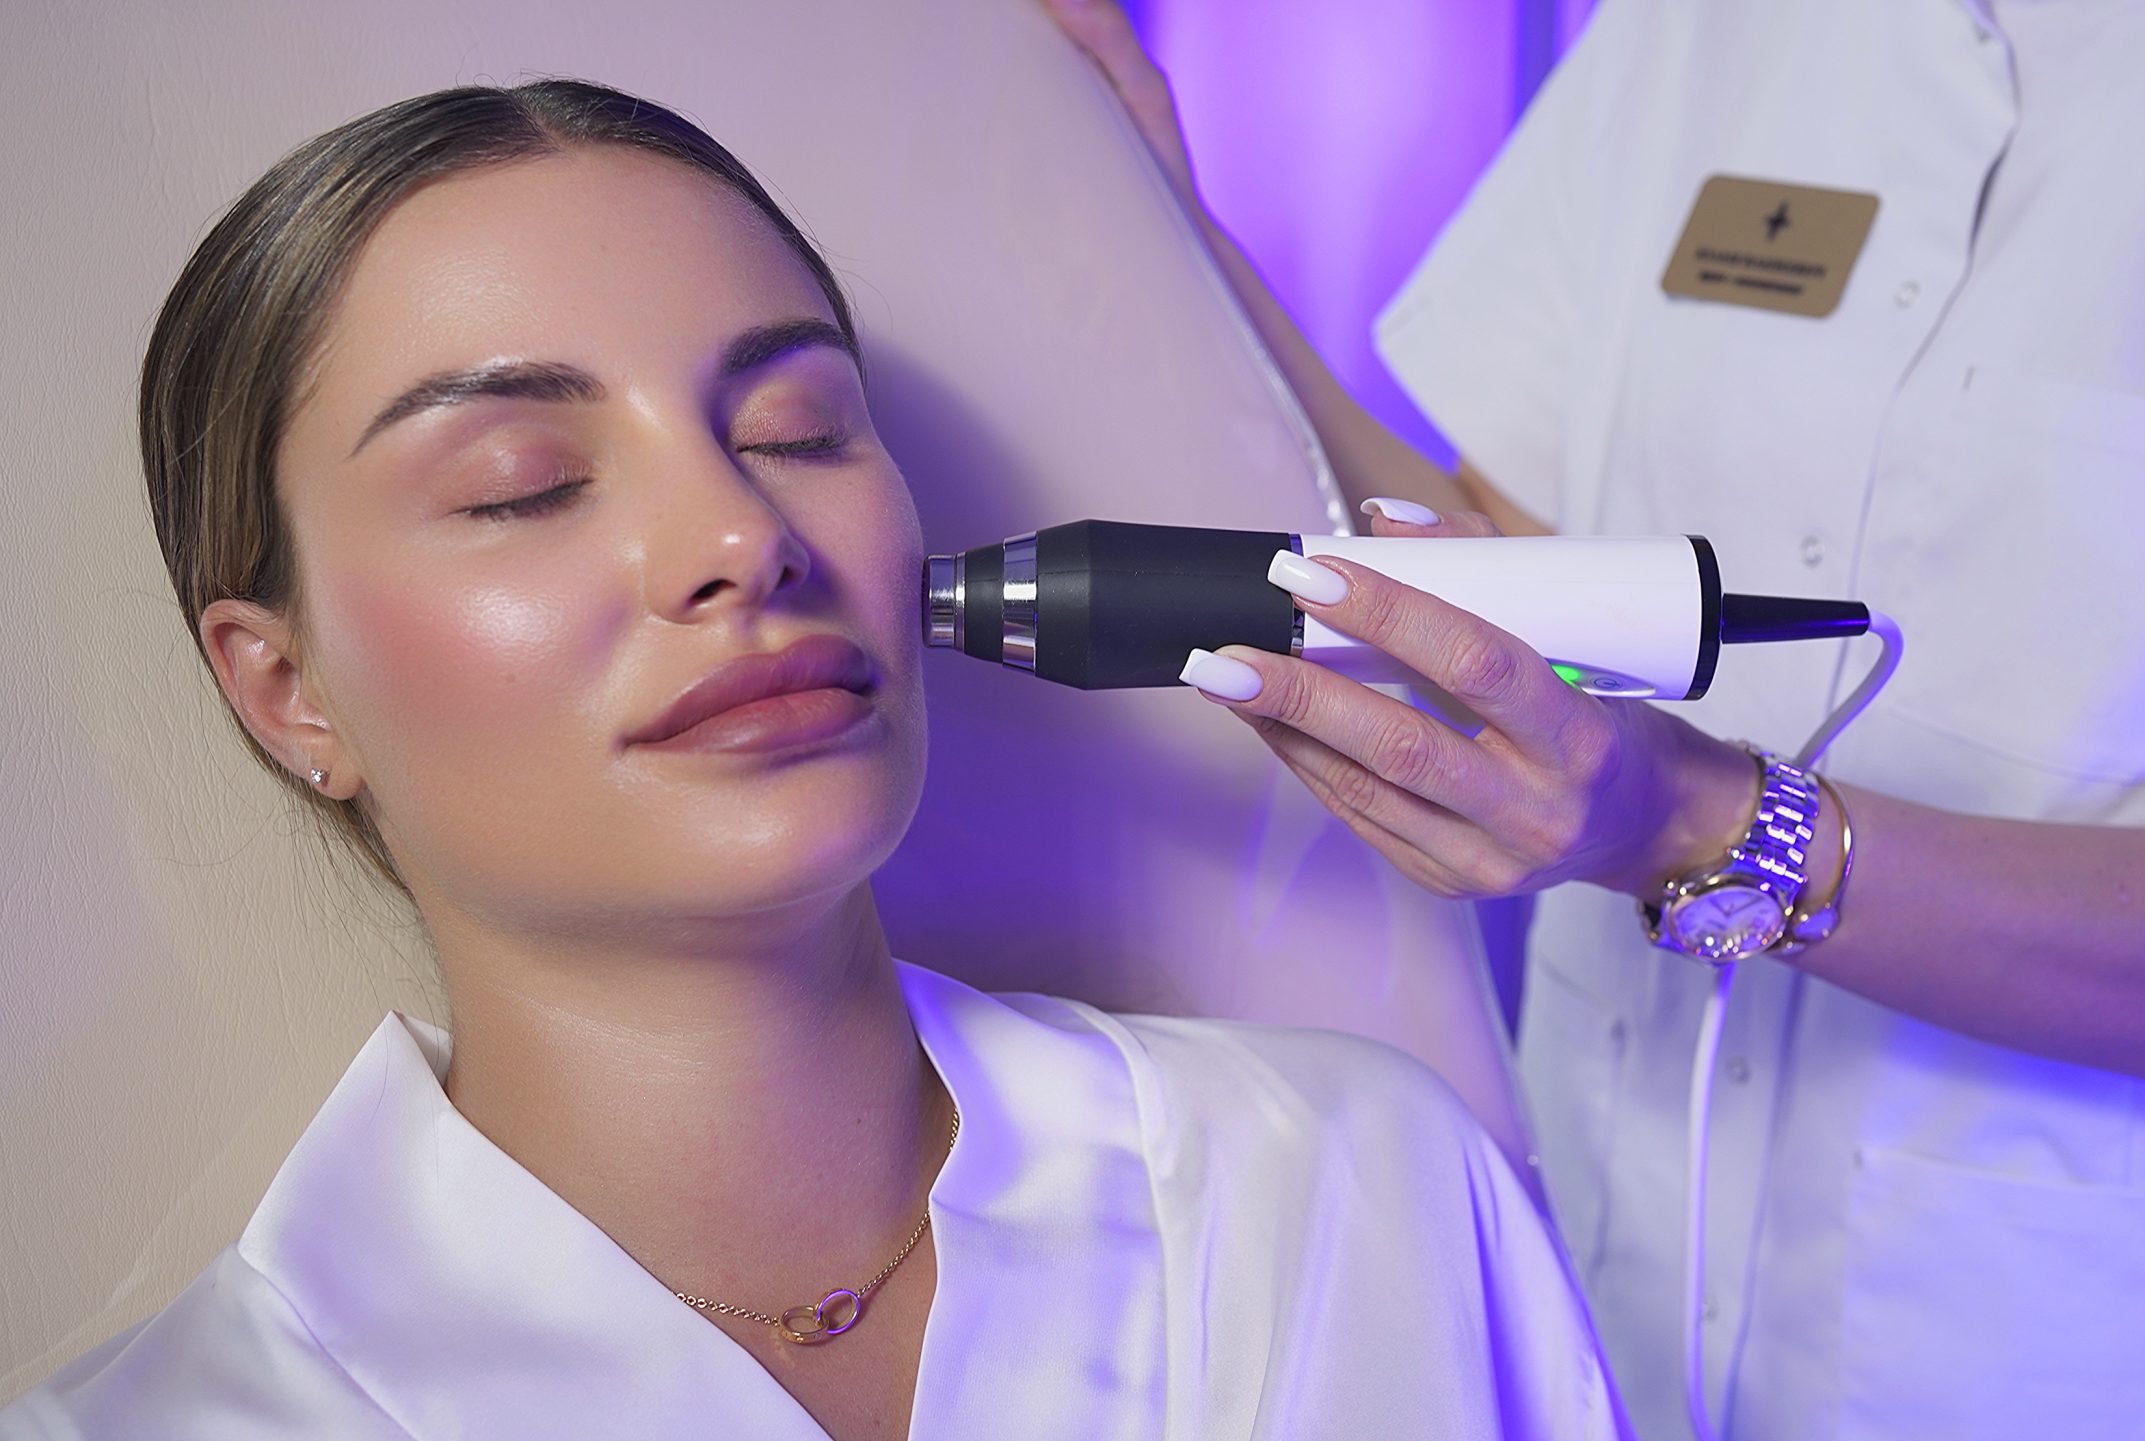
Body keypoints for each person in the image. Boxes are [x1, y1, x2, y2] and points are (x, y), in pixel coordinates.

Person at [0, 79, 1628, 1440]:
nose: (739, 534)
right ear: (287, 689)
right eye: (521, 481)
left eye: (796, 430)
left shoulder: (1363, 1188)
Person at [1044, 0, 2145, 1436]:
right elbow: (1499, 577)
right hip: (1614, 1287)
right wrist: (1171, 224)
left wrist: (1699, 826)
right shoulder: (1703, 27)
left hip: (2129, 1355)